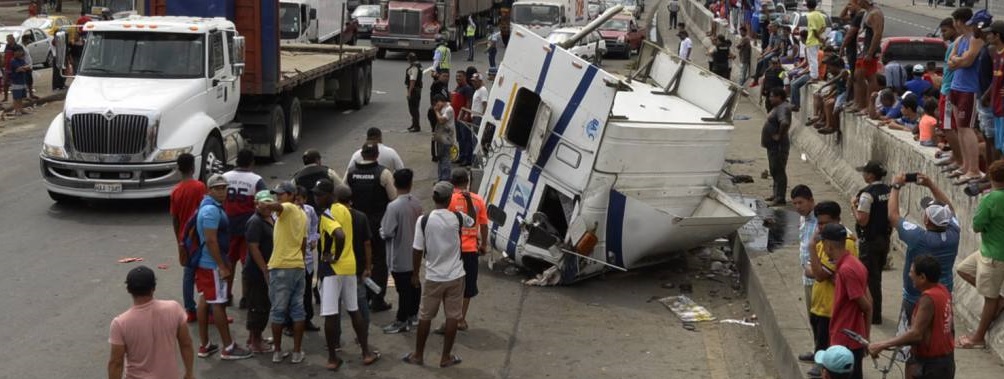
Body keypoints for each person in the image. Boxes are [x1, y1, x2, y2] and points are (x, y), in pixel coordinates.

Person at [402, 181, 475, 368]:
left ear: (434, 198)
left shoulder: (424, 220)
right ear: (450, 198)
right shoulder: (457, 218)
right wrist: (469, 202)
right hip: (455, 276)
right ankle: (446, 357)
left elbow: (417, 250)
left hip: (433, 277)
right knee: (452, 316)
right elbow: (472, 221)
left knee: (425, 316)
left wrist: (414, 274)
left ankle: (418, 355)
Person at [312, 179, 381, 370]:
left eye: (319, 194)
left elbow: (340, 235)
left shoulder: (326, 215)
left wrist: (333, 256)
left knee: (330, 314)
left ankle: (333, 358)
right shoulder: (344, 210)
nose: (316, 198)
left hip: (333, 269)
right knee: (354, 310)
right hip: (350, 267)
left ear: (330, 195)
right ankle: (366, 352)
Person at [888, 172, 959, 328]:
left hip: (915, 299)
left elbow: (893, 216)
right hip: (943, 295)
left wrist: (896, 186)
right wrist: (931, 184)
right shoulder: (954, 232)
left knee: (909, 341)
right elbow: (951, 210)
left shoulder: (918, 238)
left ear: (926, 220)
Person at [194, 174, 253, 360]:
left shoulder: (209, 206)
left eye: (223, 187)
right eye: (217, 188)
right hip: (212, 265)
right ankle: (228, 347)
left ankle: (205, 345)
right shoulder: (211, 211)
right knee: (219, 303)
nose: (221, 191)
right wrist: (222, 265)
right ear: (209, 190)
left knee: (205, 301)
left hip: (206, 264)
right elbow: (211, 240)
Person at [867, 255, 956, 379]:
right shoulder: (943, 291)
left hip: (932, 366)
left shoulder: (928, 298)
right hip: (945, 361)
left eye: (912, 272)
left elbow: (916, 334)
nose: (909, 275)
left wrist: (881, 345)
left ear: (922, 277)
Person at [108, 266, 195, 379]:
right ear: (153, 287)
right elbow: (186, 344)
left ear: (129, 290)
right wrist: (189, 373)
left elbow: (116, 363)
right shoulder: (174, 308)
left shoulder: (120, 323)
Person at [804, 201, 859, 379]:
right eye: (819, 223)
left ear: (837, 220)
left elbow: (819, 273)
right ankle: (819, 358)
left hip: (831, 306)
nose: (821, 227)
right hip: (819, 302)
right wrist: (816, 269)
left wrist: (811, 248)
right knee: (819, 335)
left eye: (825, 223)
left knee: (828, 340)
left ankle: (823, 366)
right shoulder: (824, 240)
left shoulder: (844, 244)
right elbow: (809, 268)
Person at [956, 160, 1004, 349]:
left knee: (989, 299)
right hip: (989, 251)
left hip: (993, 255)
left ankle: (978, 338)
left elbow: (976, 226)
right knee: (962, 269)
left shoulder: (990, 199)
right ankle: (997, 299)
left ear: (991, 178)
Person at [258, 181, 308, 364]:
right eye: (277, 193)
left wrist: (266, 204)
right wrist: (300, 262)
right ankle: (296, 352)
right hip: (297, 267)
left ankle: (278, 351)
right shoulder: (302, 214)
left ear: (291, 195)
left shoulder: (288, 208)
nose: (278, 196)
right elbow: (303, 243)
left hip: (281, 268)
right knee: (297, 311)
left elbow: (278, 206)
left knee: (278, 311)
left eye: (282, 193)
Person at [347, 142, 398, 312]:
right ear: (376, 155)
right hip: (378, 223)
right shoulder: (383, 173)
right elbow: (394, 199)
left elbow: (344, 195)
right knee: (379, 260)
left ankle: (363, 296)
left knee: (359, 258)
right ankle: (377, 299)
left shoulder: (351, 173)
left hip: (356, 223)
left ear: (362, 154)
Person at [824, 223, 872, 379]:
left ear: (829, 245)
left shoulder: (846, 270)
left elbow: (866, 306)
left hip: (846, 339)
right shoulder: (855, 263)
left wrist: (866, 339)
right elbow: (869, 300)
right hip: (853, 338)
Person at [947, 8, 988, 185]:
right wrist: (958, 60)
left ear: (960, 21)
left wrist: (959, 60)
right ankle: (965, 165)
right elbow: (951, 62)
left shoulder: (975, 39)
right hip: (956, 85)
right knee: (959, 128)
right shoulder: (960, 39)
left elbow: (968, 60)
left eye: (956, 21)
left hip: (969, 88)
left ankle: (973, 169)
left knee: (966, 127)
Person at [444, 168, 488, 333]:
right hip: (470, 250)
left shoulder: (449, 200)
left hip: (452, 249)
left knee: (450, 284)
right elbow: (484, 225)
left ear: (451, 182)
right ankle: (460, 318)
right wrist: (484, 245)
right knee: (467, 286)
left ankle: (450, 317)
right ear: (467, 181)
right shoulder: (478, 200)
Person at [222, 149, 267, 308]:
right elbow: (265, 202)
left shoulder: (225, 178)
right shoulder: (256, 180)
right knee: (247, 265)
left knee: (229, 263)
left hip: (228, 226)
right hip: (249, 228)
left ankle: (226, 295)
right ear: (252, 162)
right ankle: (246, 298)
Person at [380, 169, 423, 333]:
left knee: (403, 290)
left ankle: (402, 320)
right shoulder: (416, 203)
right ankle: (413, 315)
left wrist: (381, 231)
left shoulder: (393, 206)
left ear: (395, 185)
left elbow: (387, 231)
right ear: (410, 184)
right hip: (415, 254)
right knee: (415, 285)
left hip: (399, 256)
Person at [852, 160, 891, 325]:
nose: (863, 174)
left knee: (869, 279)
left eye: (865, 172)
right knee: (877, 277)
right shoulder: (888, 191)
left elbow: (862, 220)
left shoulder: (867, 195)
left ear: (870, 175)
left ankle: (873, 315)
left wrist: (853, 206)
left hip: (870, 241)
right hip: (884, 239)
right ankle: (876, 312)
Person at [169, 153, 205, 322]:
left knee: (188, 274)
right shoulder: (200, 187)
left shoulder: (175, 191)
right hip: (200, 237)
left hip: (185, 239)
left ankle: (190, 309)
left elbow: (175, 219)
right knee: (205, 273)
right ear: (193, 167)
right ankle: (209, 310)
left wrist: (179, 240)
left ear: (178, 169)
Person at [244, 190, 277, 353]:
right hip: (256, 272)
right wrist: (264, 269)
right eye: (263, 203)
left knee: (263, 304)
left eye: (269, 203)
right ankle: (255, 342)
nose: (267, 206)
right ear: (256, 204)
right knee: (258, 306)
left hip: (266, 269)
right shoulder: (255, 222)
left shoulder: (270, 218)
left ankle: (256, 337)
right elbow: (253, 247)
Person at [937, 18, 964, 173]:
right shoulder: (953, 45)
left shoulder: (955, 45)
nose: (943, 34)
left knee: (948, 127)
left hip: (948, 90)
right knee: (950, 126)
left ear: (954, 29)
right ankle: (955, 155)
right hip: (947, 88)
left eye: (945, 31)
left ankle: (959, 159)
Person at [851, 0, 884, 114]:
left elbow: (877, 33)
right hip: (862, 50)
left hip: (868, 50)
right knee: (857, 76)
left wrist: (870, 52)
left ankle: (868, 106)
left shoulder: (875, 13)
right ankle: (860, 103)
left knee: (869, 77)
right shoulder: (867, 12)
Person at [762, 87, 791, 207]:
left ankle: (780, 197)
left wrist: (779, 135)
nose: (770, 98)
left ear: (779, 97)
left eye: (772, 96)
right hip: (772, 146)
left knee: (778, 170)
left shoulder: (782, 108)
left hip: (778, 146)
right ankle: (776, 193)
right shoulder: (778, 107)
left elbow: (785, 122)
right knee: (774, 170)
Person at [791, 185, 817, 317]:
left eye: (800, 202)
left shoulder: (820, 222)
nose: (797, 207)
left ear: (811, 201)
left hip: (819, 281)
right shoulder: (803, 218)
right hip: (807, 279)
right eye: (794, 203)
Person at [981, 20, 1004, 160]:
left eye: (990, 33)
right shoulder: (996, 54)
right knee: (1000, 146)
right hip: (997, 108)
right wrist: (986, 95)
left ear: (997, 36)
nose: (987, 36)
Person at [451, 71, 475, 166]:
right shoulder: (458, 88)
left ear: (465, 77)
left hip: (463, 118)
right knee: (460, 138)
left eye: (460, 76)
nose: (458, 78)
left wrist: (466, 114)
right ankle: (461, 156)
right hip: (457, 117)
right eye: (457, 76)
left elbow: (469, 101)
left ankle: (467, 159)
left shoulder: (467, 88)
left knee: (466, 138)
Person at [433, 95, 456, 181]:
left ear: (441, 101)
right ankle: (441, 178)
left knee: (445, 159)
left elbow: (441, 120)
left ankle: (445, 179)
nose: (436, 106)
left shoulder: (448, 109)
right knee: (441, 158)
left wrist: (436, 111)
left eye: (437, 103)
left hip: (447, 139)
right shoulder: (442, 109)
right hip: (441, 138)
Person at [429, 72, 451, 159]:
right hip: (436, 111)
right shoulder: (438, 84)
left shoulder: (444, 85)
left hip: (443, 111)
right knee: (435, 132)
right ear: (439, 76)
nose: (446, 78)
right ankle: (435, 154)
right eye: (444, 75)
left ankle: (440, 152)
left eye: (447, 76)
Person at [804, 0, 825, 81]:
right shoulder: (820, 14)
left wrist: (818, 37)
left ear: (807, 6)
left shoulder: (810, 15)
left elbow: (813, 30)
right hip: (817, 41)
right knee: (814, 58)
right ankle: (813, 74)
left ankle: (814, 76)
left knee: (812, 59)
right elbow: (824, 27)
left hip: (811, 40)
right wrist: (819, 37)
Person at [7, 48, 30, 116]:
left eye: (20, 51)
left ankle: (21, 109)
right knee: (16, 97)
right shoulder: (13, 61)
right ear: (14, 52)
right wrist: (22, 68)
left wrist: (22, 68)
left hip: (22, 80)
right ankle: (17, 110)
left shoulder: (21, 60)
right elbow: (20, 69)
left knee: (21, 97)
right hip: (16, 81)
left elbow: (25, 68)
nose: (20, 53)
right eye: (18, 51)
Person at [405, 53, 424, 132]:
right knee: (414, 108)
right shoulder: (419, 65)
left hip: (414, 90)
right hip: (417, 89)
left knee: (413, 109)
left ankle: (416, 126)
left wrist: (409, 92)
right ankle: (414, 124)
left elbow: (413, 80)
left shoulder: (414, 67)